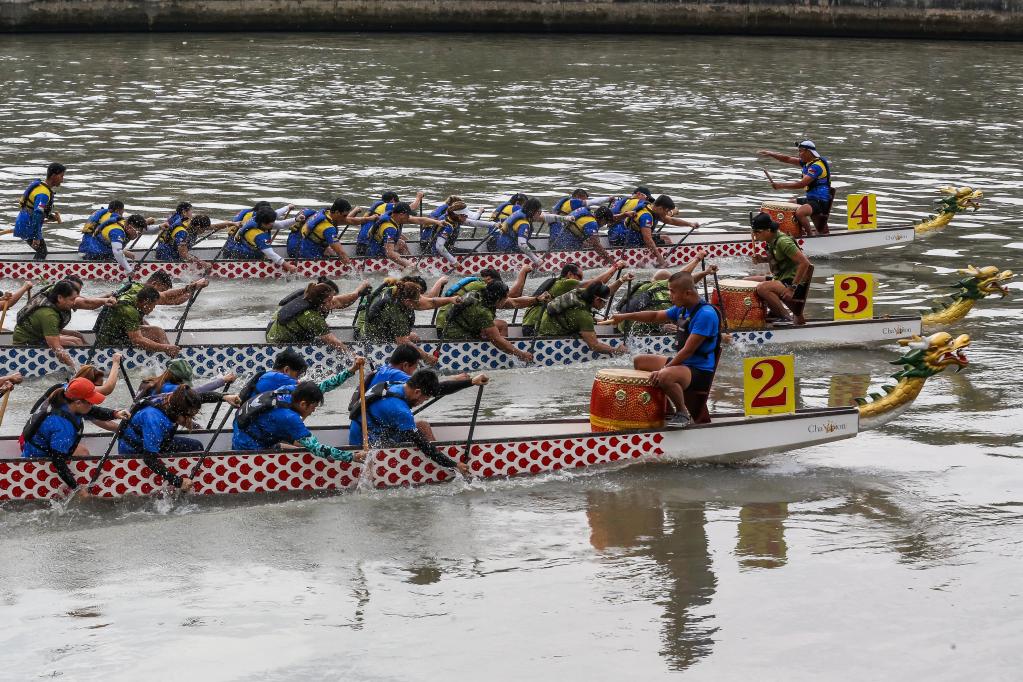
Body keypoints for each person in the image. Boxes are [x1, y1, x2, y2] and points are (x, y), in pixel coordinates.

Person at [601, 271, 722, 428]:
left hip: (699, 370)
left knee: (664, 376)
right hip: (685, 365)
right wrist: (625, 316)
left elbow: (687, 351)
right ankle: (666, 410)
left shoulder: (705, 315)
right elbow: (655, 316)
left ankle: (682, 413)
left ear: (687, 293)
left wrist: (665, 369)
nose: (669, 295)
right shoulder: (682, 309)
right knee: (640, 361)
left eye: (672, 291)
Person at [232, 358, 365, 463]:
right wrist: (351, 457)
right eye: (313, 407)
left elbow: (323, 386)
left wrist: (351, 370)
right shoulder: (290, 418)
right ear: (303, 404)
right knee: (307, 446)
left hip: (244, 431)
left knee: (299, 443)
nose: (313, 411)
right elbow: (317, 449)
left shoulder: (290, 390)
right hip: (248, 448)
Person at [348, 368, 468, 474]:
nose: (421, 402)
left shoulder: (399, 385)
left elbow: (441, 389)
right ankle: (443, 469)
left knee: (422, 425)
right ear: (417, 392)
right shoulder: (400, 410)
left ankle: (440, 462)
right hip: (364, 442)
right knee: (422, 438)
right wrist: (454, 464)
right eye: (424, 399)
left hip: (370, 429)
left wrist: (471, 382)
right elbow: (423, 445)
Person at [118, 385, 235, 491]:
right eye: (189, 416)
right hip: (135, 451)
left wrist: (224, 397)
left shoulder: (174, 399)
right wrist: (177, 481)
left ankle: (191, 479)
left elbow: (201, 397)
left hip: (155, 441)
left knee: (196, 446)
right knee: (193, 448)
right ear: (178, 412)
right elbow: (149, 459)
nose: (190, 420)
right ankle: (184, 483)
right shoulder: (154, 419)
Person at [21, 378, 123, 495]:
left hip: (36, 448)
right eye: (90, 402)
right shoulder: (62, 427)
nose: (93, 404)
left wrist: (115, 414)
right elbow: (58, 462)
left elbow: (92, 411)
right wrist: (77, 488)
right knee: (82, 453)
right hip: (37, 464)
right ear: (78, 403)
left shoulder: (65, 397)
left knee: (83, 451)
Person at [616, 251, 717, 334]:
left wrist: (705, 271)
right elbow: (681, 277)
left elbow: (685, 280)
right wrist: (698, 259)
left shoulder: (650, 286)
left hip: (620, 322)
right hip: (633, 329)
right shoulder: (664, 297)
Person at [437, 279, 534, 363]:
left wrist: (536, 300)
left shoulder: (479, 294)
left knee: (501, 325)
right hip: (456, 337)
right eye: (505, 298)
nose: (506, 300)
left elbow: (514, 302)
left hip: (457, 327)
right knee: (496, 338)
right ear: (498, 299)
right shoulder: (482, 312)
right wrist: (521, 354)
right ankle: (501, 356)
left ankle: (504, 351)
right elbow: (496, 339)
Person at [521, 262, 626, 336]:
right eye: (579, 277)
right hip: (535, 326)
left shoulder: (556, 282)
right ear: (570, 274)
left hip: (528, 325)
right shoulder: (566, 283)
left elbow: (602, 293)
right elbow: (596, 285)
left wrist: (621, 280)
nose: (581, 280)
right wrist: (615, 267)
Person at [745, 212, 813, 325]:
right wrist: (762, 259)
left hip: (793, 283)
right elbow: (779, 259)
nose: (755, 235)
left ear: (768, 230)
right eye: (754, 232)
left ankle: (785, 317)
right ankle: (771, 311)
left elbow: (804, 263)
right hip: (780, 278)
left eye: (758, 232)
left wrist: (792, 288)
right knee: (746, 282)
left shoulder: (783, 242)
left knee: (762, 288)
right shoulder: (770, 240)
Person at [757, 140, 834, 236]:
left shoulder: (816, 166)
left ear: (808, 152)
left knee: (800, 212)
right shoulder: (807, 162)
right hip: (812, 199)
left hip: (820, 201)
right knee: (790, 205)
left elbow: (802, 184)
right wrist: (771, 154)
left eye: (801, 151)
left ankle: (809, 235)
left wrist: (780, 185)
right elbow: (787, 159)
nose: (799, 154)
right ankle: (799, 231)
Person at [537, 279, 631, 355]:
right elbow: (594, 346)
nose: (605, 305)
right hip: (550, 339)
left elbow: (572, 314)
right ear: (597, 299)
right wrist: (616, 350)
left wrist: (621, 280)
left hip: (543, 327)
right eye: (605, 302)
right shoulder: (584, 316)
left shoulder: (581, 293)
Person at [266, 280, 360, 353]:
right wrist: (353, 355)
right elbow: (335, 343)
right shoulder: (312, 317)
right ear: (320, 302)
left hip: (274, 329)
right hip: (277, 345)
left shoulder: (310, 297)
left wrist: (359, 291)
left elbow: (341, 301)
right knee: (324, 341)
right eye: (329, 301)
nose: (332, 303)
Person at [609, 194, 700, 268]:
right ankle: (665, 261)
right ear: (660, 208)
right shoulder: (646, 216)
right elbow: (648, 239)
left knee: (665, 237)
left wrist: (690, 224)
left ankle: (665, 258)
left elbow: (670, 220)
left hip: (632, 236)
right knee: (665, 241)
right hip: (627, 241)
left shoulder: (651, 208)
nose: (667, 213)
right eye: (666, 211)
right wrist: (660, 259)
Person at [11, 280, 88, 368]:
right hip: (25, 343)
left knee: (77, 337)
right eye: (72, 299)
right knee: (74, 343)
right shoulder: (49, 315)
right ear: (60, 298)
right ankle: (83, 366)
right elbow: (56, 348)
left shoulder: (53, 294)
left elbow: (88, 302)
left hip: (37, 334)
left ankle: (86, 362)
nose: (74, 302)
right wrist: (76, 368)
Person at [95, 285, 182, 355]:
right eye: (153, 305)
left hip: (118, 331)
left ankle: (169, 354)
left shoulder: (135, 294)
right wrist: (165, 347)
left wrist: (186, 289)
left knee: (156, 331)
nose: (153, 308)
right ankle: (171, 355)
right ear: (146, 302)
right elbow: (137, 340)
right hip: (109, 340)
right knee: (157, 333)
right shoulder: (129, 310)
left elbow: (166, 296)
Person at [29, 355, 124, 416]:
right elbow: (108, 389)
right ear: (87, 382)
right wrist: (116, 363)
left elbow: (95, 415)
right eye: (97, 386)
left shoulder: (70, 389)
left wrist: (115, 414)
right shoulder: (76, 392)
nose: (96, 390)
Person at [362, 203, 444, 268]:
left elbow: (420, 220)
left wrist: (437, 222)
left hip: (379, 244)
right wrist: (408, 264)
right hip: (375, 252)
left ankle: (411, 261)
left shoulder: (392, 216)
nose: (409, 217)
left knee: (401, 243)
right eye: (408, 215)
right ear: (401, 214)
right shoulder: (390, 229)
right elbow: (390, 254)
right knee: (401, 254)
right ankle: (411, 264)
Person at [13, 162, 65, 260]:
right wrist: (36, 237)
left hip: (24, 222)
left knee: (41, 251)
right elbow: (37, 214)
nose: (62, 180)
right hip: (28, 225)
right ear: (53, 176)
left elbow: (36, 210)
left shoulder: (41, 187)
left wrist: (51, 217)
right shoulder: (43, 194)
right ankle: (32, 269)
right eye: (61, 176)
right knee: (42, 251)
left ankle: (33, 267)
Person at [222, 206, 298, 273]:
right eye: (272, 222)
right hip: (241, 258)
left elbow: (281, 224)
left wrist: (295, 218)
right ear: (264, 223)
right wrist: (288, 266)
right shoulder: (257, 235)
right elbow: (271, 254)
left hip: (239, 250)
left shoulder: (257, 219)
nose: (273, 224)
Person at [298, 198, 374, 262]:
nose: (346, 218)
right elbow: (341, 253)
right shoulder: (328, 228)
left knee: (331, 252)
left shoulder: (326, 213)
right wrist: (354, 270)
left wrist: (369, 218)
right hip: (311, 258)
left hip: (303, 248)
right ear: (337, 212)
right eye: (344, 215)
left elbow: (351, 220)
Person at [156, 212, 238, 267]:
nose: (204, 231)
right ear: (198, 227)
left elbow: (215, 226)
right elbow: (184, 254)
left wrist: (233, 223)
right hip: (166, 254)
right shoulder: (182, 232)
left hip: (175, 252)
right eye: (204, 229)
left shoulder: (194, 224)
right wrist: (203, 263)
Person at [79, 213, 148, 274]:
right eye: (138, 233)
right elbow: (117, 252)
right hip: (92, 254)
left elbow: (146, 230)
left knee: (121, 257)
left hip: (101, 250)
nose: (137, 235)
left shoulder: (125, 224)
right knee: (120, 257)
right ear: (130, 227)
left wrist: (153, 225)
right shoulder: (117, 232)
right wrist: (128, 270)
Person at [549, 205, 619, 263]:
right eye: (605, 222)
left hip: (555, 233)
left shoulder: (587, 210)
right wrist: (611, 261)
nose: (604, 225)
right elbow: (596, 245)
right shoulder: (592, 223)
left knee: (586, 241)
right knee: (591, 242)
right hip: (562, 240)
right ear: (603, 219)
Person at [138, 358, 235, 398]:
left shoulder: (150, 381)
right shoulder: (168, 388)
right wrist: (222, 380)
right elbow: (195, 392)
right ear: (175, 377)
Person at [237, 348, 309, 401]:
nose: (298, 378)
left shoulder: (268, 375)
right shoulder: (279, 378)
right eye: (298, 375)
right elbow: (308, 388)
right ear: (286, 370)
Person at [494, 197, 543, 265]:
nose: (540, 215)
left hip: (501, 245)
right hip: (509, 249)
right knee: (533, 250)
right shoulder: (524, 224)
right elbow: (522, 244)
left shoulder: (521, 212)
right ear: (532, 212)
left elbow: (546, 217)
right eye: (539, 212)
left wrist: (558, 218)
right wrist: (536, 260)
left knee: (531, 247)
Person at [422, 200, 471, 266]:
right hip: (438, 253)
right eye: (465, 215)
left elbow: (473, 222)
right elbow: (439, 247)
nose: (467, 217)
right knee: (473, 252)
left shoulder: (447, 217)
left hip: (432, 246)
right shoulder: (449, 226)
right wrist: (454, 262)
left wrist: (486, 224)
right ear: (459, 216)